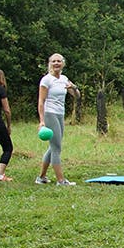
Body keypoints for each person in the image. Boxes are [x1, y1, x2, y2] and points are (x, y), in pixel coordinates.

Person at [36, 53, 80, 185]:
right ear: (50, 64)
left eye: (58, 61)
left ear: (63, 63)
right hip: (50, 113)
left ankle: (41, 177)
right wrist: (42, 120)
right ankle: (61, 180)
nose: (56, 63)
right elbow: (41, 101)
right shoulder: (46, 80)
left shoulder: (64, 79)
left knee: (53, 146)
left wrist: (73, 87)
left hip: (60, 114)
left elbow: (77, 96)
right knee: (56, 147)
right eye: (53, 61)